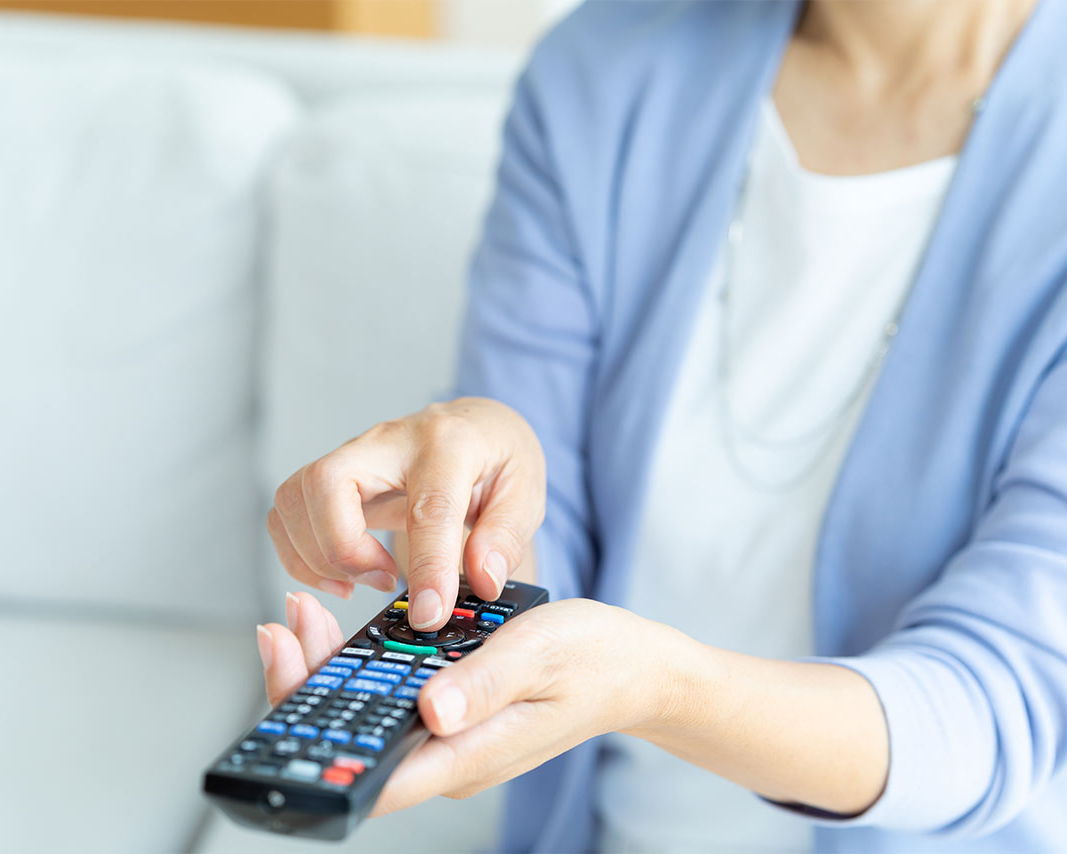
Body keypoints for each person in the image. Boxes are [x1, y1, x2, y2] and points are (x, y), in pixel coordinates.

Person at [255, 1, 1067, 851]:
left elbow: (993, 709)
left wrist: (659, 689)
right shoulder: (605, 68)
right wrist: (486, 492)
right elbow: (532, 564)